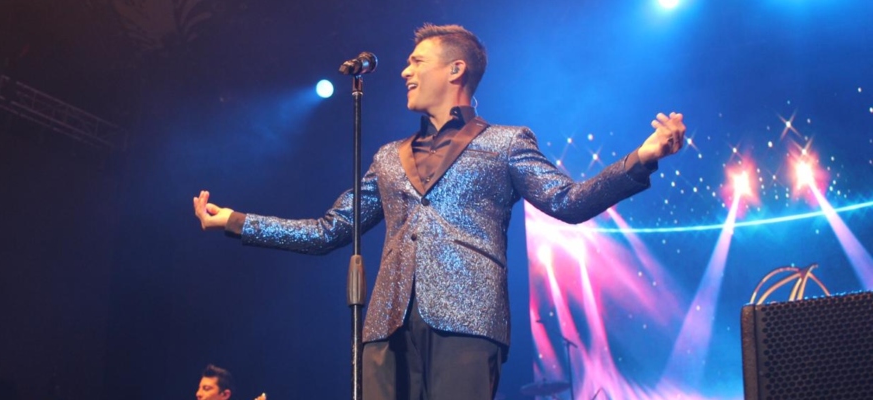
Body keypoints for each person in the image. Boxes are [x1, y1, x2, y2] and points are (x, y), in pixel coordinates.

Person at [193, 23, 685, 400]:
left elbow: (568, 202)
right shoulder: (389, 157)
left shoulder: (506, 143)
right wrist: (236, 221)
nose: (404, 72)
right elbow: (330, 230)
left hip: (468, 323)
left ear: (455, 70)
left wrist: (641, 158)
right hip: (385, 327)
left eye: (416, 62)